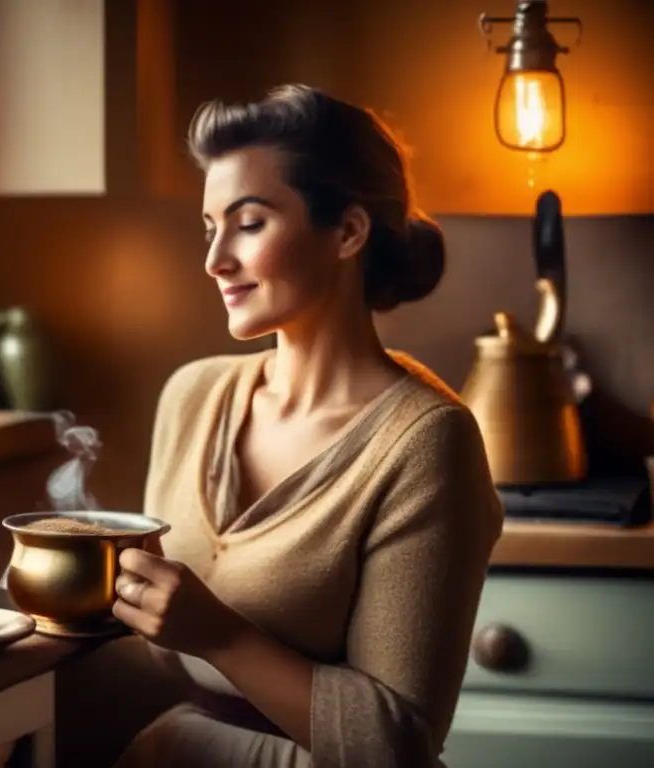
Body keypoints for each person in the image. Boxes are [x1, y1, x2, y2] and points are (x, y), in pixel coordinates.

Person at [110, 84, 504, 767]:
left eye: (250, 222)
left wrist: (221, 637)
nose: (215, 260)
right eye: (210, 227)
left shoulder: (426, 442)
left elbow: (399, 743)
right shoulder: (191, 395)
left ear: (349, 233)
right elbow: (153, 659)